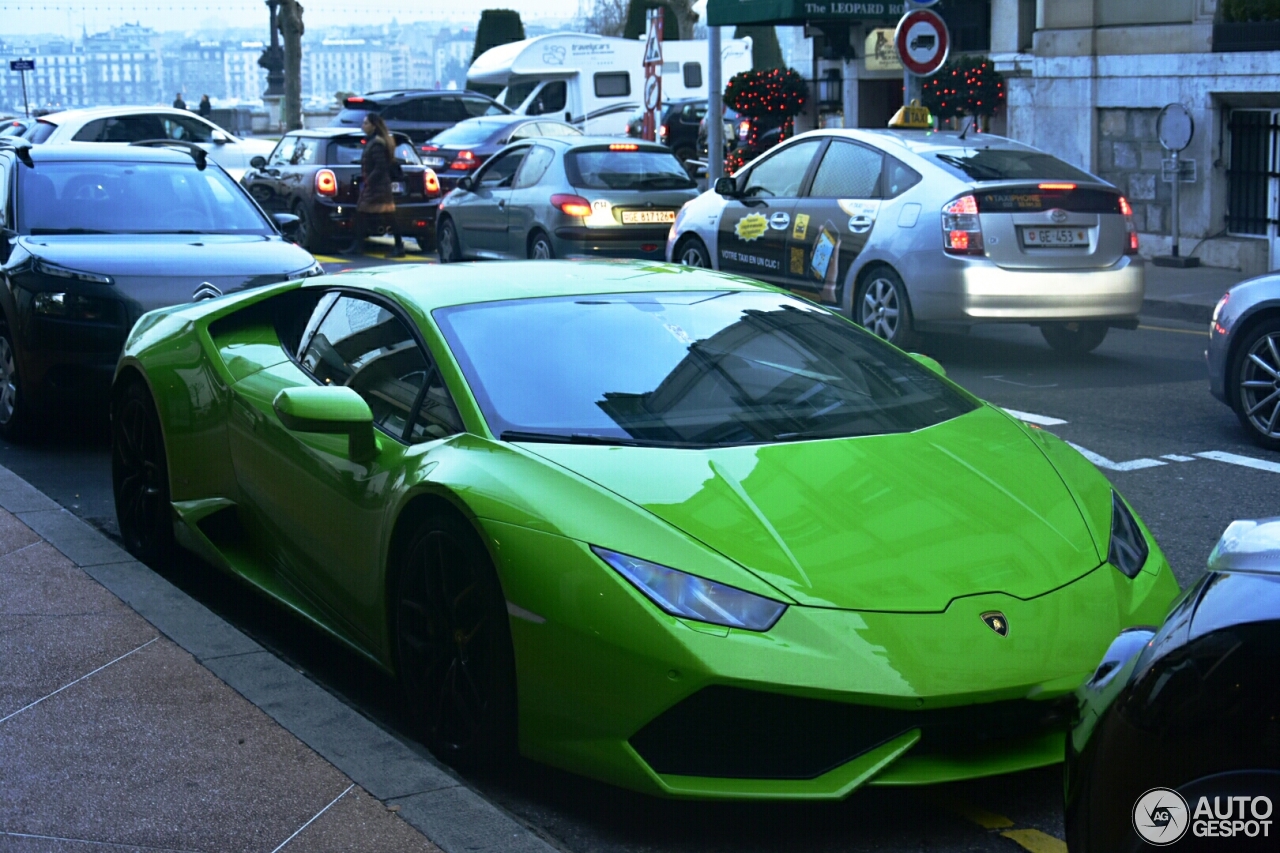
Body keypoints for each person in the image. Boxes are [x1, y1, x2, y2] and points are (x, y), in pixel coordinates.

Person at [342, 112, 405, 258]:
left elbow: (380, 166)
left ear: (373, 126)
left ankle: (396, 246)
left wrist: (369, 180)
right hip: (379, 185)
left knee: (369, 213)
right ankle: (359, 244)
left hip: (378, 186)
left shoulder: (376, 143)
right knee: (374, 214)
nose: (363, 125)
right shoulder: (373, 140)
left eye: (366, 123)